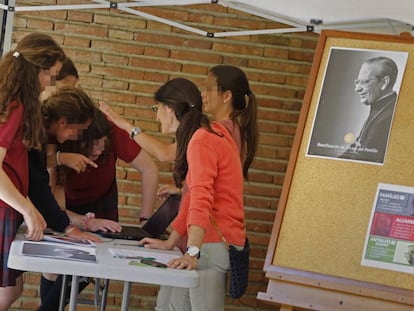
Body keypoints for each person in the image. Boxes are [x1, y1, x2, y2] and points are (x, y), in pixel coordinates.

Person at [128, 77, 245, 310]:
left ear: (169, 108)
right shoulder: (210, 134)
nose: (156, 115)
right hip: (207, 245)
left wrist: (193, 252)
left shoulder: (202, 140)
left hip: (210, 246)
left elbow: (202, 198)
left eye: (157, 108)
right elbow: (190, 196)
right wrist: (171, 242)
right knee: (166, 306)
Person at [0, 32, 64, 311]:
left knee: (12, 289)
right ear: (37, 70)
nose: (50, 83)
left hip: (8, 204)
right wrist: (27, 208)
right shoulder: (15, 105)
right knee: (7, 293)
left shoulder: (10, 100)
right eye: (50, 74)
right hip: (4, 205)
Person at [340, 56, 399, 163]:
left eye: (365, 82)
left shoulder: (390, 115)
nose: (357, 88)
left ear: (384, 83)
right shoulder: (380, 108)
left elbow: (363, 159)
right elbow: (357, 146)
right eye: (357, 82)